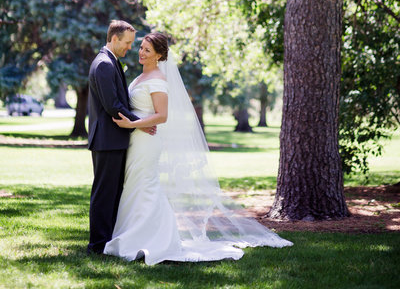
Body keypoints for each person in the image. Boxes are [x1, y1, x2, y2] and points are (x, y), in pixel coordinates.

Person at [104, 32, 292, 264]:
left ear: (160, 55)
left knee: (145, 185)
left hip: (147, 141)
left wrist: (133, 124)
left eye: (147, 50)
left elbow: (161, 116)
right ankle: (133, 234)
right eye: (141, 47)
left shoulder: (158, 80)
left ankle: (153, 239)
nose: (141, 53)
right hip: (136, 140)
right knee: (134, 184)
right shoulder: (140, 77)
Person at [87, 20, 155, 255]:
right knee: (104, 193)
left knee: (112, 192)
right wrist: (139, 123)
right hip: (107, 140)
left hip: (112, 139)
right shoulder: (105, 64)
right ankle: (97, 245)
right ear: (114, 39)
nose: (129, 48)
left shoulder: (110, 61)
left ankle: (106, 241)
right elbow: (113, 105)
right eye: (127, 43)